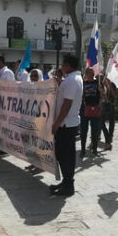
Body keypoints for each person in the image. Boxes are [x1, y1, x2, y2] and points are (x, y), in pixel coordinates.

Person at [49, 54, 83, 197]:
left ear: (69, 65)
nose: (62, 67)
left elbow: (67, 104)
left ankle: (69, 185)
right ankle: (66, 181)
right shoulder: (73, 79)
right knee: (64, 155)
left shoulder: (72, 80)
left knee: (65, 155)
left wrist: (57, 123)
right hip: (68, 124)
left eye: (63, 65)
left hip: (65, 125)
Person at [25, 69, 44, 174]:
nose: (33, 78)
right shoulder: (29, 87)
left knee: (37, 144)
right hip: (29, 118)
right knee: (30, 143)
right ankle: (33, 163)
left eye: (35, 76)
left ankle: (40, 166)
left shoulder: (43, 88)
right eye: (32, 76)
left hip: (38, 120)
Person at [80, 67, 103, 157]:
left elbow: (102, 95)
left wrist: (99, 104)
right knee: (83, 131)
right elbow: (80, 95)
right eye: (89, 72)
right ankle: (82, 150)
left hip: (95, 108)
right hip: (85, 109)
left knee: (95, 131)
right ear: (86, 74)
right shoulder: (83, 83)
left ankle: (95, 149)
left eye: (92, 72)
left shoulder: (98, 82)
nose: (91, 74)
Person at [100, 76, 117, 151]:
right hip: (103, 106)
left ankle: (108, 140)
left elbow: (114, 95)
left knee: (111, 123)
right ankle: (108, 138)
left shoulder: (112, 84)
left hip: (111, 105)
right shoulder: (101, 84)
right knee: (101, 123)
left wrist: (109, 86)